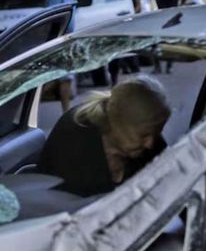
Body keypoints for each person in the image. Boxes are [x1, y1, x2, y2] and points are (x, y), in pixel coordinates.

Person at [37, 75, 170, 197]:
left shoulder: (148, 141)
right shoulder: (74, 142)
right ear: (116, 121)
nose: (150, 144)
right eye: (144, 135)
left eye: (157, 132)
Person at [44, 0, 81, 112]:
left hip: (66, 40)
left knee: (65, 77)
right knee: (61, 76)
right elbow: (53, 19)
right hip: (59, 40)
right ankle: (24, 100)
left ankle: (66, 111)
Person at [151, 0, 186, 73]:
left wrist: (180, 7)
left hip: (172, 17)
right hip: (161, 16)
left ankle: (169, 66)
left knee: (170, 43)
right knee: (156, 42)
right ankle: (157, 66)